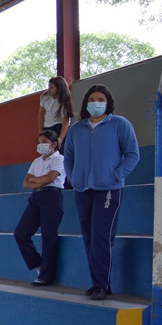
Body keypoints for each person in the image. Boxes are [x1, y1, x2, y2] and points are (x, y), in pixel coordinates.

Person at [64, 84, 139, 301]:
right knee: (88, 236)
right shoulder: (77, 129)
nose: (96, 103)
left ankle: (100, 285)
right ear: (86, 103)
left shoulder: (119, 124)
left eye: (100, 99)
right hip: (82, 189)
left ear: (107, 103)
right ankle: (100, 282)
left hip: (108, 189)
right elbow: (68, 157)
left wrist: (117, 175)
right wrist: (72, 176)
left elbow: (132, 154)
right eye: (92, 99)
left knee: (101, 237)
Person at [14, 130, 66, 287]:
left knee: (48, 236)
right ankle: (38, 264)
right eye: (38, 142)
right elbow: (25, 183)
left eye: (44, 141)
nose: (40, 145)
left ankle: (46, 276)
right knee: (20, 233)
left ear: (54, 143)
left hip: (52, 197)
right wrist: (40, 181)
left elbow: (50, 178)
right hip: (36, 197)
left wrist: (37, 180)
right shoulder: (36, 162)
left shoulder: (59, 159)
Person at [39, 76, 74, 153]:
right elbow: (41, 115)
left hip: (59, 127)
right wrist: (41, 131)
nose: (49, 89)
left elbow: (65, 124)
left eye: (51, 87)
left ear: (58, 88)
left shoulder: (64, 102)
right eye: (48, 87)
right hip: (47, 126)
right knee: (46, 149)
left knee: (58, 150)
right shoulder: (45, 97)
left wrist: (60, 139)